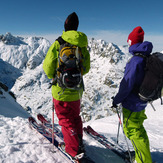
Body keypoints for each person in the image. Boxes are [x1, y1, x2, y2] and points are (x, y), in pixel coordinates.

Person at [43, 12, 90, 160]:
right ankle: (78, 141)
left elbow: (48, 67)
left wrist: (55, 75)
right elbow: (86, 68)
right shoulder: (82, 45)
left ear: (65, 26)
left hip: (61, 90)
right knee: (75, 117)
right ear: (76, 27)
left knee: (65, 120)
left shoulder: (58, 43)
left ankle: (73, 149)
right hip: (76, 90)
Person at [112, 26, 153, 163]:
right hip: (142, 101)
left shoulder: (135, 61)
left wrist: (117, 100)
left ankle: (143, 160)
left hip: (132, 103)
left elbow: (127, 84)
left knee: (132, 131)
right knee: (139, 129)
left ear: (131, 42)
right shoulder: (146, 58)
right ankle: (143, 156)